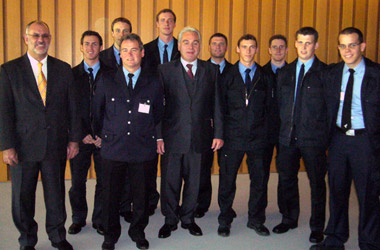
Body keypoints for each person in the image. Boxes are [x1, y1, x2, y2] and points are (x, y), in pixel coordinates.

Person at [0, 20, 81, 250]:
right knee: (22, 198)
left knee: (55, 195)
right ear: (26, 39)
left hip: (55, 144)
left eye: (45, 35)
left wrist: (74, 139)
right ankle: (27, 239)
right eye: (35, 35)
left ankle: (57, 236)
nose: (40, 40)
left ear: (50, 39)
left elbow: (73, 108)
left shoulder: (63, 69)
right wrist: (7, 146)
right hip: (22, 147)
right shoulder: (9, 70)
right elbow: (4, 111)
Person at [311, 27, 380, 250]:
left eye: (352, 45)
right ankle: (335, 238)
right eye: (342, 45)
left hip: (366, 142)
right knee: (337, 190)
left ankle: (369, 243)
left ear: (362, 46)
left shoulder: (376, 74)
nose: (347, 50)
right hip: (339, 140)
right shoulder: (332, 74)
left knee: (368, 195)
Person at [93, 33, 163, 250]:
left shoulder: (153, 80)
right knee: (110, 195)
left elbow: (158, 113)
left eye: (134, 50)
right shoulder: (106, 79)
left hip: (143, 148)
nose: (129, 55)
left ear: (142, 53)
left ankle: (137, 231)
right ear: (119, 54)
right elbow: (97, 112)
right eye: (125, 50)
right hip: (114, 148)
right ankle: (110, 234)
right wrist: (102, 135)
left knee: (141, 196)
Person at [157, 26, 224, 239]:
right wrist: (158, 135)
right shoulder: (165, 70)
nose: (191, 46)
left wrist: (219, 133)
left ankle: (188, 218)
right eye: (186, 42)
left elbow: (217, 105)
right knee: (170, 181)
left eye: (195, 42)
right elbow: (158, 106)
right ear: (178, 45)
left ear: (200, 46)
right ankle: (170, 219)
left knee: (195, 181)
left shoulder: (210, 70)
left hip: (200, 137)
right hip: (172, 137)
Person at [274, 27, 328, 244]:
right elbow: (279, 105)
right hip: (287, 137)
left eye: (308, 43)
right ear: (294, 44)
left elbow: (329, 109)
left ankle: (317, 226)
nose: (304, 47)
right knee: (287, 179)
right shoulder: (284, 73)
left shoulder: (325, 73)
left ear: (316, 45)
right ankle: (289, 218)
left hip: (313, 140)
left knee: (317, 183)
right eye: (300, 42)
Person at [217, 34, 274, 237]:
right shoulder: (227, 76)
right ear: (237, 49)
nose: (248, 51)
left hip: (259, 139)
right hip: (232, 138)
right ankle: (224, 219)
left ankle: (256, 219)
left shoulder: (265, 76)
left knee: (259, 181)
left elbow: (270, 109)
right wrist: (221, 135)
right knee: (226, 180)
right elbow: (220, 109)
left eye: (252, 47)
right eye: (244, 47)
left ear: (257, 50)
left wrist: (266, 135)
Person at [68, 30, 111, 236]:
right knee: (77, 182)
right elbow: (67, 108)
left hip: (104, 139)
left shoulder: (112, 73)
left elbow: (117, 107)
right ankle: (78, 219)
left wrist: (104, 133)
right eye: (87, 44)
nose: (91, 48)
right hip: (80, 138)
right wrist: (80, 133)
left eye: (95, 44)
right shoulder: (71, 75)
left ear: (101, 47)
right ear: (81, 46)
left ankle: (100, 220)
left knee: (104, 182)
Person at [141, 9, 180, 215]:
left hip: (176, 114)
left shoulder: (182, 49)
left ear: (174, 24)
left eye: (170, 20)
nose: (166, 24)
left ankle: (170, 204)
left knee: (171, 165)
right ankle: (149, 201)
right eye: (163, 20)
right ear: (157, 24)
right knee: (149, 162)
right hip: (150, 112)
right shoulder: (145, 50)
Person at [194, 32, 233, 219]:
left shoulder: (235, 70)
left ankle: (226, 206)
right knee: (204, 169)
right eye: (214, 44)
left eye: (222, 44)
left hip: (230, 128)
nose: (218, 47)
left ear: (226, 47)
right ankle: (202, 204)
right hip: (206, 129)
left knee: (227, 170)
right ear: (208, 47)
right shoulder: (200, 69)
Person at [99, 17, 134, 223]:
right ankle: (106, 214)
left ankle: (125, 207)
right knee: (109, 180)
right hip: (111, 128)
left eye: (125, 30)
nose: (121, 34)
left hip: (132, 126)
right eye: (118, 30)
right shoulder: (101, 57)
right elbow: (98, 103)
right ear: (112, 33)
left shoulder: (138, 56)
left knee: (130, 175)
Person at [262, 34, 288, 200]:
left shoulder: (293, 72)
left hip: (286, 131)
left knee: (286, 172)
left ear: (286, 49)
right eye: (275, 47)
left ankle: (285, 212)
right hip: (264, 131)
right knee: (261, 174)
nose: (278, 50)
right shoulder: (260, 72)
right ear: (269, 50)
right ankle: (259, 213)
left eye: (281, 47)